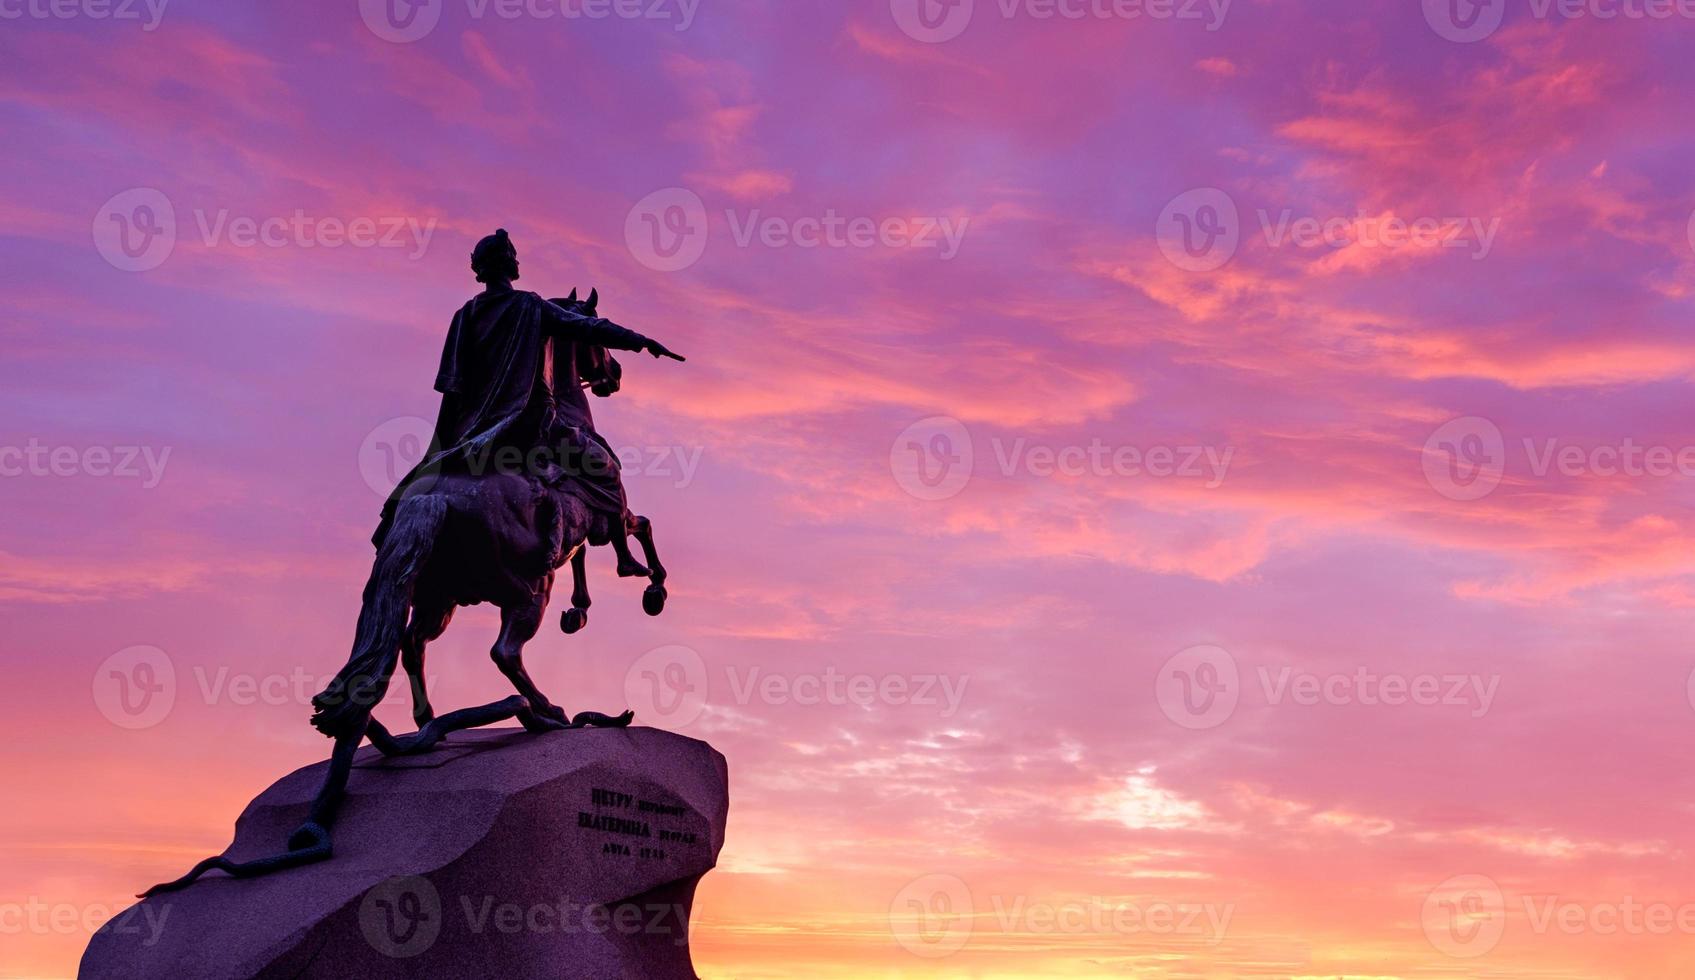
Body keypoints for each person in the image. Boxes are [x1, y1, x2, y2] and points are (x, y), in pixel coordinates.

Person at [375, 228, 684, 572]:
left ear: (479, 270)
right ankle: (624, 558)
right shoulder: (530, 306)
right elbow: (587, 328)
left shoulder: (463, 316)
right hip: (531, 428)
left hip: (472, 435)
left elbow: (452, 388)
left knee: (408, 496)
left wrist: (439, 451)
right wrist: (641, 341)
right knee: (608, 470)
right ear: (509, 265)